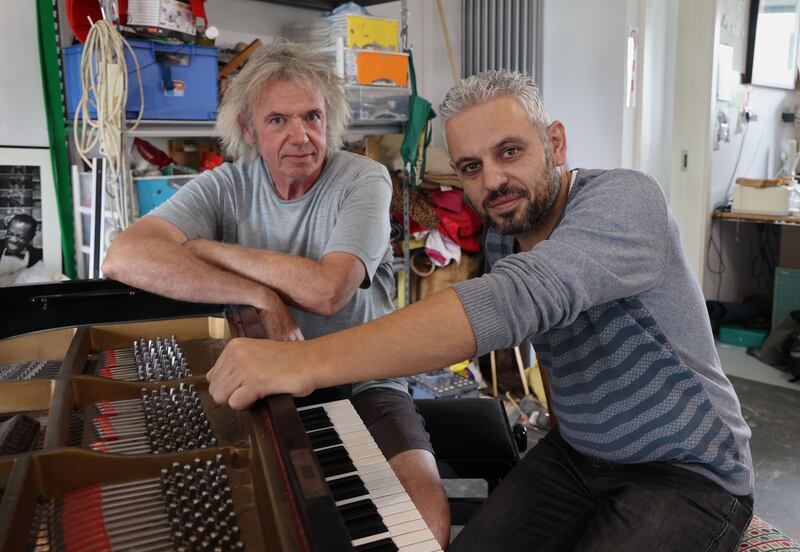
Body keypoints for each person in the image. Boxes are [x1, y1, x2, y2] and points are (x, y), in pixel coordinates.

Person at [207, 70, 755, 551]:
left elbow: (520, 298)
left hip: (686, 470)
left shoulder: (627, 199)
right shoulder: (502, 237)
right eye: (471, 167)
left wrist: (300, 363)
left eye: (509, 152)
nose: (492, 181)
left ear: (556, 142)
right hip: (577, 456)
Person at [102, 43, 450, 546]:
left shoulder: (364, 179)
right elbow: (124, 257)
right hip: (270, 376)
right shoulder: (225, 184)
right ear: (248, 131)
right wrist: (261, 297)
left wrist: (206, 249)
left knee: (424, 524)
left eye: (312, 115)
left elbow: (328, 291)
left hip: (364, 376)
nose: (301, 135)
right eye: (278, 120)